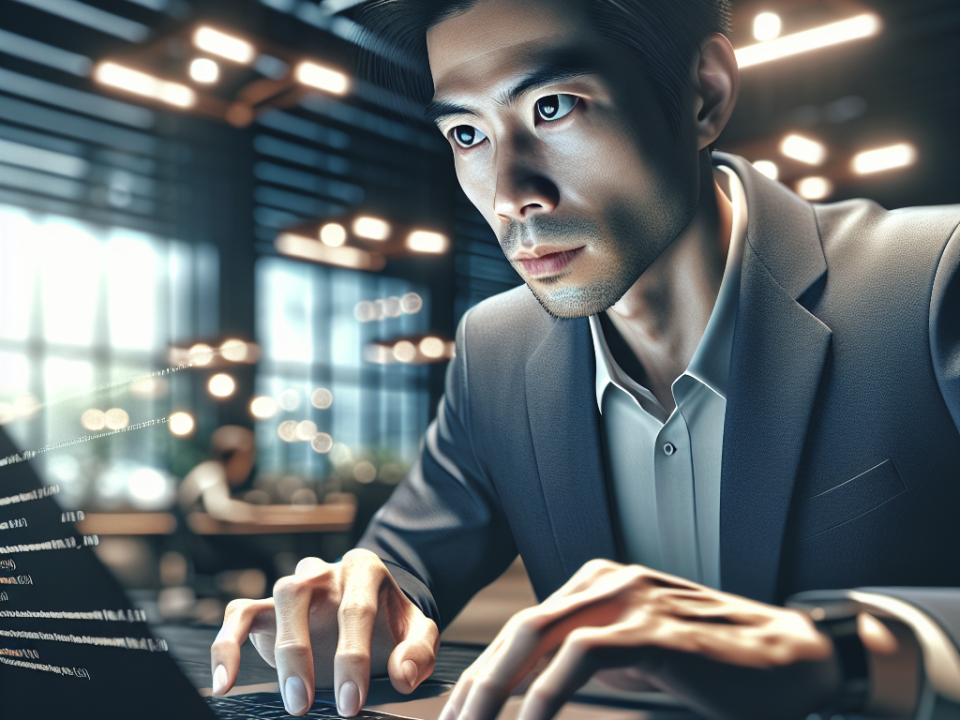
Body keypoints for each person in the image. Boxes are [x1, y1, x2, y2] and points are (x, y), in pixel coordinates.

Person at [211, 0, 960, 718]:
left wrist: (845, 651)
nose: (510, 195)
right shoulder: (495, 350)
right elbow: (406, 565)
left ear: (703, 94)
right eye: (468, 134)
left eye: (552, 107)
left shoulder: (932, 282)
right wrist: (360, 599)